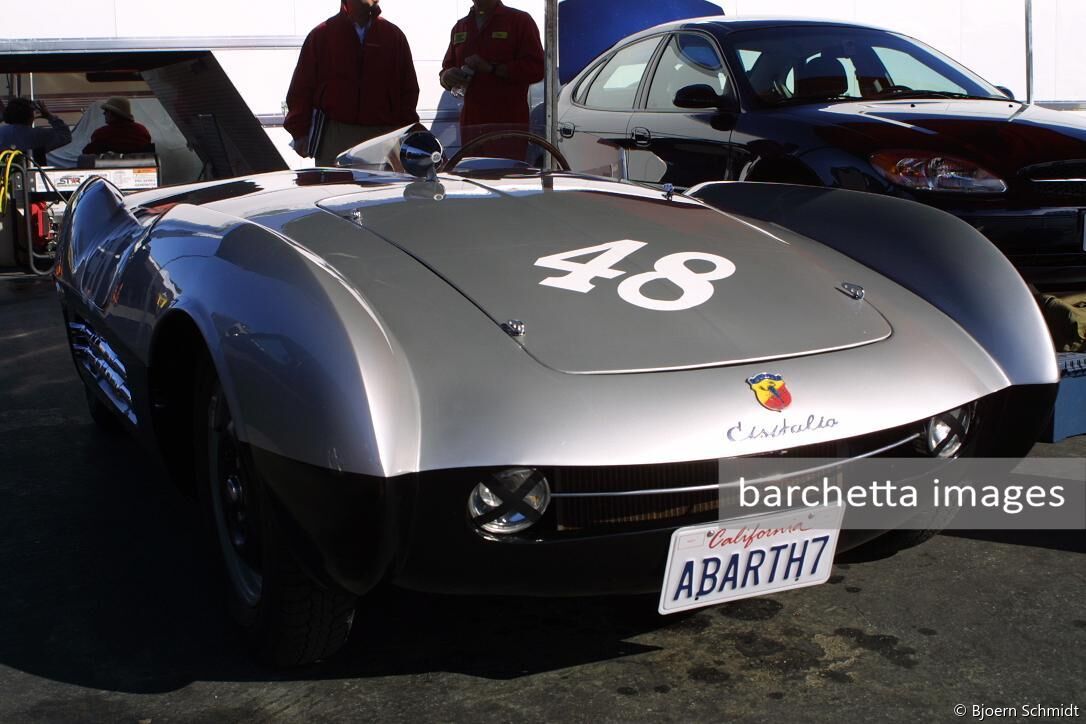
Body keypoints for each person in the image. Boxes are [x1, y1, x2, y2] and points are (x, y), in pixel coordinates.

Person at [285, 0, 420, 167]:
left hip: (383, 139)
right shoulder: (322, 35)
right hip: (335, 138)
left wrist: (410, 133)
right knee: (337, 184)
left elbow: (408, 92)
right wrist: (300, 133)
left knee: (382, 185)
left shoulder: (393, 36)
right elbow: (301, 88)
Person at [439, 0, 544, 158]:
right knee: (473, 172)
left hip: (507, 125)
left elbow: (537, 69)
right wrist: (447, 77)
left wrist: (493, 68)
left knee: (506, 172)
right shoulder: (460, 27)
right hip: (472, 126)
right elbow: (446, 69)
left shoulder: (519, 21)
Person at [0, 98, 71, 162]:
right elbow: (65, 136)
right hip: (34, 170)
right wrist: (49, 116)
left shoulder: (2, 132)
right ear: (30, 117)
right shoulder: (39, 134)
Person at [82, 97, 152, 154]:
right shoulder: (142, 131)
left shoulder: (101, 133)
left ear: (111, 114)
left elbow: (87, 151)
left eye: (106, 111)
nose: (104, 114)